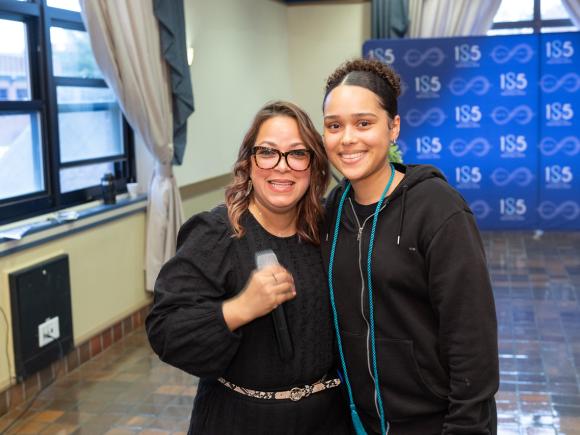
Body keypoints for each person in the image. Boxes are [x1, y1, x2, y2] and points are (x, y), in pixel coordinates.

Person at [146, 101, 352, 435]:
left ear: (313, 166)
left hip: (326, 420)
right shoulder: (216, 233)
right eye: (268, 152)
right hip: (238, 421)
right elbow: (165, 329)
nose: (282, 167)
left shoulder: (326, 230)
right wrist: (240, 308)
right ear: (249, 162)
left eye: (297, 154)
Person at [320, 58, 499, 435]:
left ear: (393, 127)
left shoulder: (437, 208)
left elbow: (472, 339)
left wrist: (467, 426)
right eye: (334, 126)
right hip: (357, 419)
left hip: (434, 422)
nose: (347, 138)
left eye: (363, 123)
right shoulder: (333, 211)